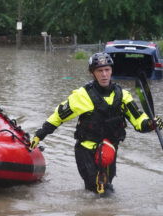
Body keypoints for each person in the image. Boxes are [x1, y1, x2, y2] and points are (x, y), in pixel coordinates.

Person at [30, 52, 163, 195]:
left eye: (107, 70)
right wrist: (39, 135)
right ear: (92, 73)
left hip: (109, 151)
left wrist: (151, 124)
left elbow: (139, 121)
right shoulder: (81, 95)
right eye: (100, 71)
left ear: (111, 70)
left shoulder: (123, 96)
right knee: (98, 191)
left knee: (106, 189)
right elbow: (58, 116)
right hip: (86, 151)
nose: (104, 74)